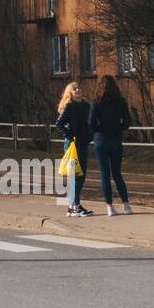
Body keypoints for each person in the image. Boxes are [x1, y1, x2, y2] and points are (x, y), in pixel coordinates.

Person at [89, 75, 134, 217]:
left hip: (101, 140)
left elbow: (91, 123)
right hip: (115, 140)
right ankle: (126, 205)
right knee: (117, 173)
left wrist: (99, 129)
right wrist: (117, 128)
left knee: (105, 174)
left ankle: (109, 206)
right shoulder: (120, 102)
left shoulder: (96, 102)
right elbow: (127, 122)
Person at [54, 82, 94, 217]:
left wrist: (90, 135)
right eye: (74, 89)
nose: (78, 90)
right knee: (77, 177)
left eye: (79, 88)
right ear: (69, 93)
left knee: (80, 177)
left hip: (83, 144)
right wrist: (70, 135)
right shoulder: (70, 107)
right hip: (72, 146)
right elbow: (59, 124)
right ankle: (75, 206)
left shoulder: (86, 105)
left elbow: (91, 123)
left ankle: (73, 205)